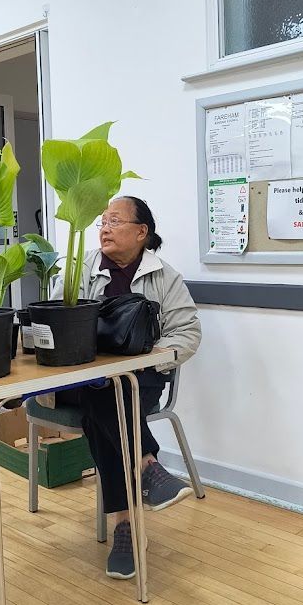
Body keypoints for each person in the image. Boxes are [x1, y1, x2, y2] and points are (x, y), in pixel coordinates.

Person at [62, 196, 201, 580]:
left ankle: (125, 525)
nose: (104, 228)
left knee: (105, 399)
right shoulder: (80, 269)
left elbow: (188, 332)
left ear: (142, 232)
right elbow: (57, 318)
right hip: (82, 376)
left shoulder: (164, 277)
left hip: (141, 376)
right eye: (102, 222)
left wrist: (151, 357)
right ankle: (147, 466)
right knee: (100, 387)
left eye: (115, 221)